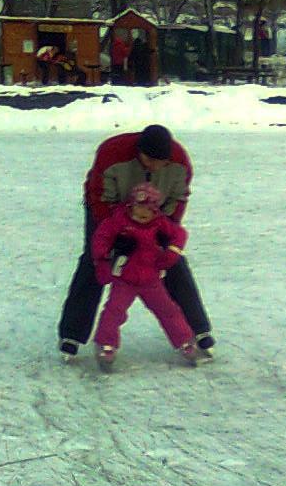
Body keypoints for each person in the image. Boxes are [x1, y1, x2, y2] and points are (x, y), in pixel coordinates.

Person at [57, 124, 214, 361]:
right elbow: (99, 197)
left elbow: (179, 198)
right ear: (139, 151)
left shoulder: (179, 162)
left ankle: (199, 329)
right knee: (94, 260)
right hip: (108, 209)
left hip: (154, 213)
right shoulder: (112, 152)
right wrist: (116, 236)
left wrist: (167, 228)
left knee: (173, 262)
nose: (154, 166)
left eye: (160, 162)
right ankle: (72, 334)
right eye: (149, 160)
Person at [90, 182, 199, 371]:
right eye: (137, 209)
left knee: (168, 310)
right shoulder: (118, 221)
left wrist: (172, 252)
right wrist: (102, 260)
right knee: (114, 311)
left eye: (147, 211)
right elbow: (102, 237)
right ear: (130, 206)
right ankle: (106, 344)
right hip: (124, 279)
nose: (141, 214)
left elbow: (179, 234)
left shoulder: (159, 223)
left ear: (155, 211)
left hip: (151, 279)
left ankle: (184, 341)